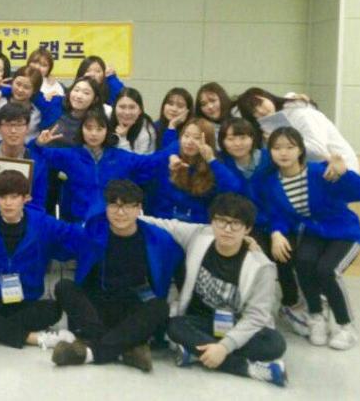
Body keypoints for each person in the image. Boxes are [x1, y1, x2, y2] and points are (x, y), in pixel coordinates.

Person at [141, 193, 288, 387]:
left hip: (236, 324)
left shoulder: (261, 267)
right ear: (212, 222)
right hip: (200, 321)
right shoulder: (200, 236)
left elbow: (256, 316)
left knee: (275, 344)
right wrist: (134, 215)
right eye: (221, 221)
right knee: (174, 325)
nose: (227, 229)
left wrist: (225, 347)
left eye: (236, 224)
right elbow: (168, 225)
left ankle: (195, 352)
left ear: (248, 229)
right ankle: (246, 367)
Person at [260, 127, 360, 350]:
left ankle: (345, 325)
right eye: (277, 148)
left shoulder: (320, 171)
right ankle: (316, 317)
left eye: (290, 147)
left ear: (300, 150)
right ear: (270, 151)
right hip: (314, 232)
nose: (283, 152)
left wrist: (344, 173)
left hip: (345, 232)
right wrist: (276, 233)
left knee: (327, 271)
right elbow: (278, 215)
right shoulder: (272, 183)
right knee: (303, 263)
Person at [51, 180, 182, 371]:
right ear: (106, 207)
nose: (120, 213)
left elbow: (179, 261)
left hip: (131, 307)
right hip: (96, 307)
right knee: (63, 286)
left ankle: (91, 352)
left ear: (139, 208)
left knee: (160, 307)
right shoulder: (93, 233)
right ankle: (125, 349)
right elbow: (60, 245)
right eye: (114, 205)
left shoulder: (156, 238)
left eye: (127, 206)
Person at [0, 170, 84, 350]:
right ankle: (33, 338)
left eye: (14, 197)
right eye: (2, 197)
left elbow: (76, 236)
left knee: (53, 310)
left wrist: (100, 224)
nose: (8, 203)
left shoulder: (42, 223)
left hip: (26, 299)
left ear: (26, 198)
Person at [216, 118, 307, 336]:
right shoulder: (221, 164)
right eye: (231, 138)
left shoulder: (269, 159)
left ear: (253, 138)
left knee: (284, 254)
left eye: (243, 137)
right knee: (255, 261)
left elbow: (279, 198)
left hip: (277, 220)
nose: (238, 143)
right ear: (223, 142)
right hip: (244, 225)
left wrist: (277, 231)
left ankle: (290, 305)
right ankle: (255, 311)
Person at [33, 108, 174, 222]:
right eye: (89, 128)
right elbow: (34, 155)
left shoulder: (121, 157)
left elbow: (155, 161)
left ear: (107, 131)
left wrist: (178, 141)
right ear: (81, 130)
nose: (93, 134)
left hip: (113, 223)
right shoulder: (70, 156)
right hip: (78, 223)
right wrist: (38, 144)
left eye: (99, 129)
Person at [236, 86, 360, 172]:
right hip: (310, 173)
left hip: (340, 168)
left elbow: (318, 151)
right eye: (254, 112)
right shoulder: (266, 127)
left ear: (266, 96)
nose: (260, 111)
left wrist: (284, 142)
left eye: (260, 103)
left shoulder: (303, 114)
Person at [144, 117, 240, 223]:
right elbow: (148, 165)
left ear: (208, 141)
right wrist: (170, 157)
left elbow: (233, 187)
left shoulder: (214, 164)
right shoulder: (171, 155)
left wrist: (211, 160)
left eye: (197, 138)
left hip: (197, 224)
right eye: (186, 136)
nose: (189, 142)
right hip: (164, 221)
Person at [108, 87, 159, 154]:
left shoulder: (146, 132)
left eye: (132, 107)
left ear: (140, 110)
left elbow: (134, 160)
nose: (127, 112)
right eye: (122, 107)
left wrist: (123, 138)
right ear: (114, 108)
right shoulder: (106, 120)